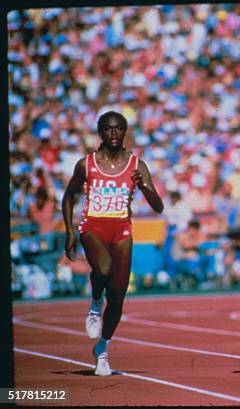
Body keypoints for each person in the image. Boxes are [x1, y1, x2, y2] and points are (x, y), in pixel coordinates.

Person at [62, 111, 164, 376]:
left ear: (125, 131)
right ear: (101, 133)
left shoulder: (137, 165)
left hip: (122, 229)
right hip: (93, 226)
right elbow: (68, 197)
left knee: (118, 298)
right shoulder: (86, 164)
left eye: (119, 128)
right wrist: (70, 233)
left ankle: (102, 349)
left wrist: (144, 187)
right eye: (109, 129)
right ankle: (95, 301)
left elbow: (158, 207)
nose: (114, 133)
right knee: (104, 271)